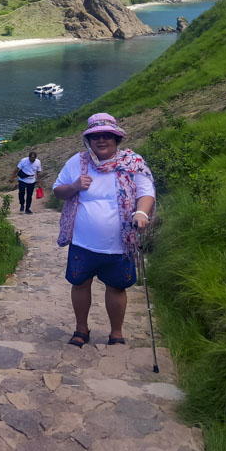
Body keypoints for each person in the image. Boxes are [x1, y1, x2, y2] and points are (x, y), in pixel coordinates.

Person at [53, 113, 155, 348]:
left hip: (119, 243)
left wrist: (141, 212)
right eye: (95, 136)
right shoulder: (77, 163)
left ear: (116, 138)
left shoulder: (133, 163)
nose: (101, 140)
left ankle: (116, 333)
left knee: (117, 287)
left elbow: (146, 191)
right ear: (88, 140)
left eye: (107, 135)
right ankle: (81, 329)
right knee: (79, 284)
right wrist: (75, 186)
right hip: (82, 242)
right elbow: (58, 191)